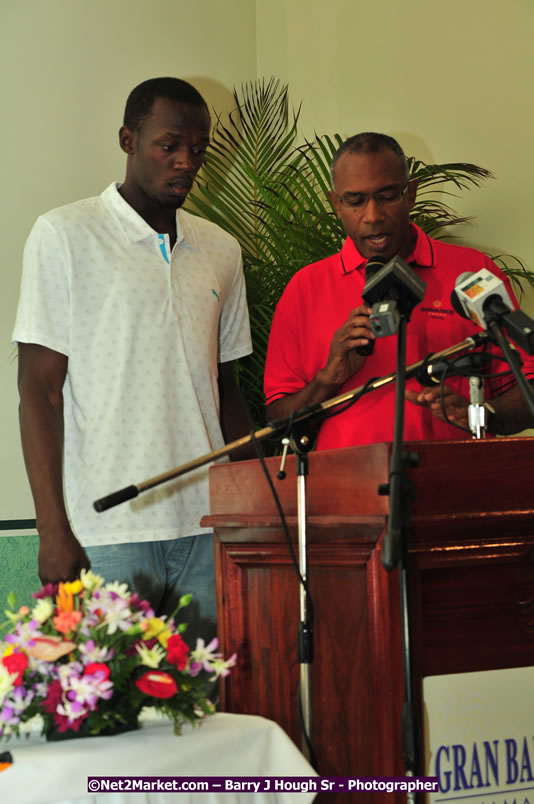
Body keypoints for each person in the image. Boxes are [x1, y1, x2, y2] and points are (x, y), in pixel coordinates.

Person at [13, 77, 253, 643]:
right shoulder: (65, 234)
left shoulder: (221, 249)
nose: (185, 162)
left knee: (207, 712)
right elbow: (40, 393)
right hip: (107, 532)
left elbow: (229, 391)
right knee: (111, 716)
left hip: (208, 528)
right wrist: (53, 530)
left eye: (197, 150)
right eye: (168, 145)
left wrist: (250, 512)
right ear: (128, 139)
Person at [264, 132, 534, 447]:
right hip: (343, 489)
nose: (373, 216)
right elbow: (278, 424)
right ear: (335, 205)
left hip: (458, 484)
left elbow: (527, 394)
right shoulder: (305, 288)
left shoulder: (473, 273)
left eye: (388, 196)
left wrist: (477, 414)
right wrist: (328, 379)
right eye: (355, 201)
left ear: (412, 194)